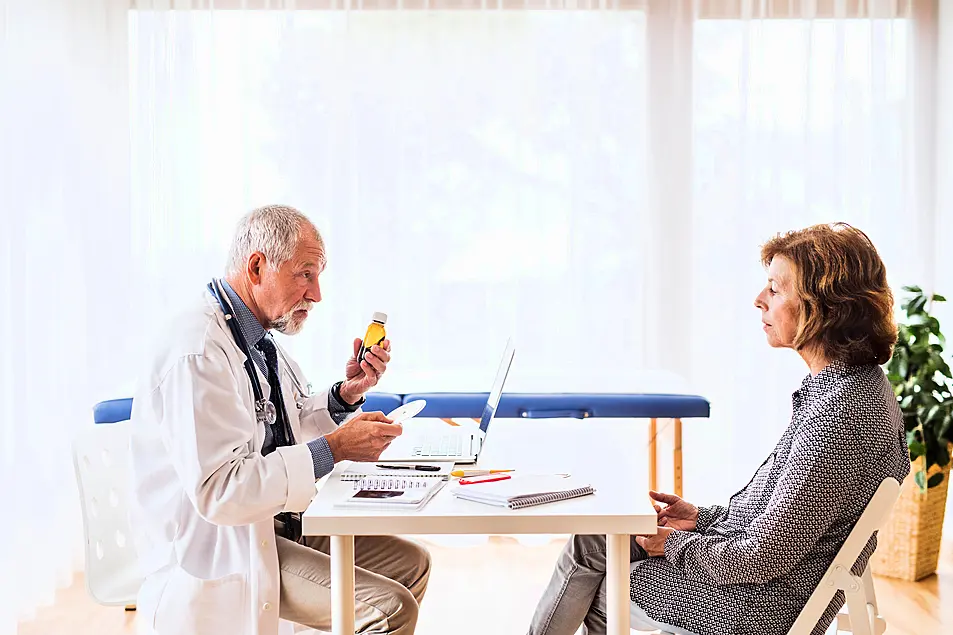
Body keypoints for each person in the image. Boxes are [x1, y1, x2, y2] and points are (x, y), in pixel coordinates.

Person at [527, 223, 910, 635]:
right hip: (766, 583)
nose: (758, 300)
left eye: (775, 290)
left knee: (601, 587)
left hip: (759, 604)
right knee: (594, 539)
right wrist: (698, 517)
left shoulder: (837, 415)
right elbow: (777, 517)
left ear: (825, 307)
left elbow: (764, 555)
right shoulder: (853, 385)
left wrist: (675, 545)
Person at [129, 205, 431, 635]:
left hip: (275, 524)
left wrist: (345, 398)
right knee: (390, 609)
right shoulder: (198, 350)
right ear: (257, 267)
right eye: (305, 274)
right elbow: (221, 491)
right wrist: (337, 447)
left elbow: (278, 425)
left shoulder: (255, 337)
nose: (317, 294)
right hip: (223, 550)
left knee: (411, 564)